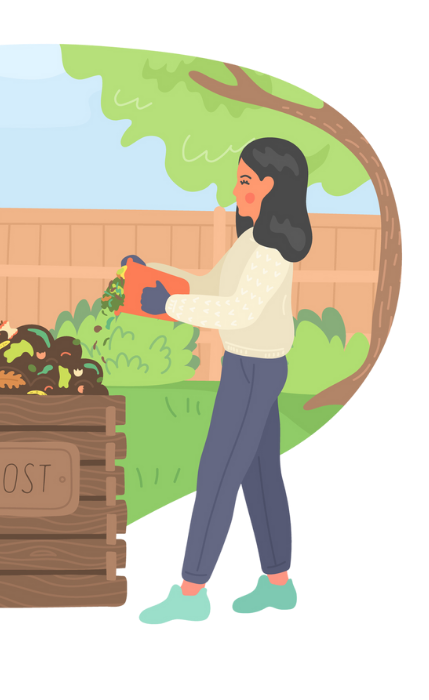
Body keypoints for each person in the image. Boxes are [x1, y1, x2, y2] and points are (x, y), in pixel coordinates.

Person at [131, 137, 312, 624]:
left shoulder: (272, 252)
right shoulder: (251, 240)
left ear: (271, 186)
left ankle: (191, 594)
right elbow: (210, 286)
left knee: (217, 475)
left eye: (246, 180)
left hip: (253, 369)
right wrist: (155, 275)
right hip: (253, 365)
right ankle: (278, 582)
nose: (236, 189)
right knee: (258, 475)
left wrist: (165, 306)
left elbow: (236, 310)